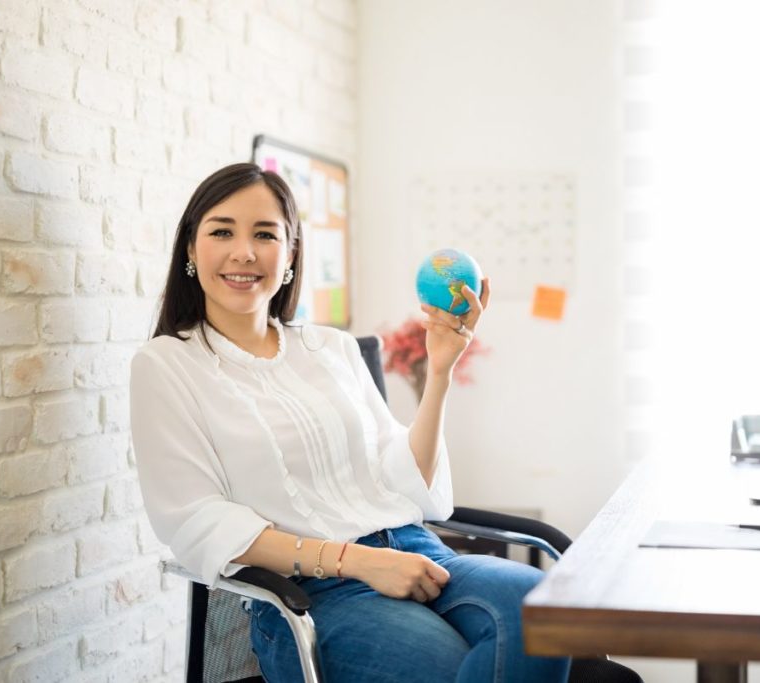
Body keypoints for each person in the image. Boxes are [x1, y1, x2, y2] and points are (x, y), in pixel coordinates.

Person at [129, 163, 570, 683]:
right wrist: (359, 562)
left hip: (416, 553)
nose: (244, 252)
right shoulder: (166, 365)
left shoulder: (331, 348)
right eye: (222, 231)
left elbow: (402, 476)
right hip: (311, 598)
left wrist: (441, 371)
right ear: (190, 248)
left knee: (541, 603)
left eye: (265, 234)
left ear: (290, 254)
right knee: (451, 667)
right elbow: (197, 520)